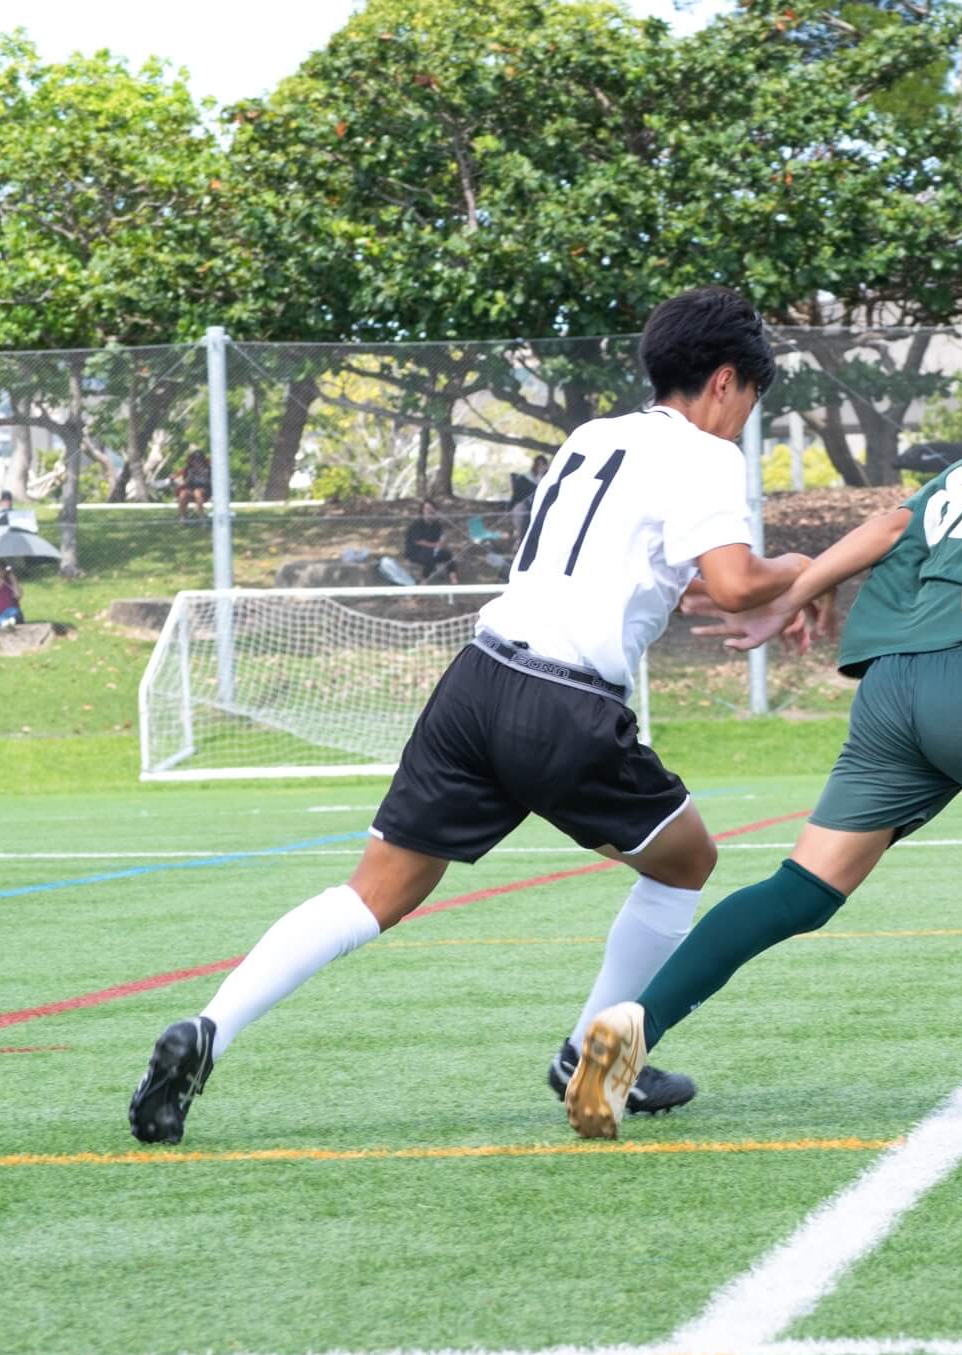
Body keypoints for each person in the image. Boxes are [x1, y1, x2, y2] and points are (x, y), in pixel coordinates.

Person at [128, 287, 814, 1145]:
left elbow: (641, 575)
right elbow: (737, 582)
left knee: (372, 893)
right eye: (751, 398)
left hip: (478, 678)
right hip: (565, 700)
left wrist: (734, 587)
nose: (744, 420)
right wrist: (801, 567)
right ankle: (591, 1057)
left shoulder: (594, 437)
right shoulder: (705, 456)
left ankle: (208, 1028)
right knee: (686, 862)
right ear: (724, 380)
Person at [563, 304, 962, 1140]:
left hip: (891, 688)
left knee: (803, 888)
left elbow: (890, 525)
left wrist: (792, 593)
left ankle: (636, 1022)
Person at [404, 500, 460, 584]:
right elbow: (418, 541)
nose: (429, 511)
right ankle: (423, 582)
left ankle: (453, 579)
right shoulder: (416, 524)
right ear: (422, 511)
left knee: (447, 555)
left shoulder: (437, 525)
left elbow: (440, 539)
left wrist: (442, 543)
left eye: (431, 509)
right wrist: (434, 545)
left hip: (431, 551)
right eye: (427, 509)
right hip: (415, 552)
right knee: (429, 557)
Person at [178, 453, 211, 523]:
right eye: (194, 460)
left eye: (199, 460)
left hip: (205, 490)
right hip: (191, 489)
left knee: (197, 492)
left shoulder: (207, 469)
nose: (196, 462)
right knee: (183, 494)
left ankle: (202, 519)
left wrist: (203, 473)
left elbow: (209, 483)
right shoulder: (188, 469)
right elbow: (185, 483)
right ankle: (182, 518)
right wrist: (191, 475)